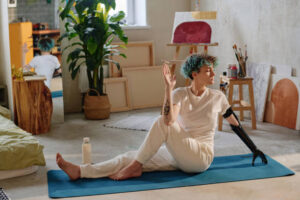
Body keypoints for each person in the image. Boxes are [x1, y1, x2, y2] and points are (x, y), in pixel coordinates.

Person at [56, 54, 267, 181]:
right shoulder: (179, 94)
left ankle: (135, 167)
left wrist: (254, 148)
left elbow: (235, 124)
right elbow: (170, 119)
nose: (213, 75)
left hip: (200, 157)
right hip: (179, 153)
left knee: (159, 125)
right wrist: (168, 89)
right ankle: (81, 171)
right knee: (128, 156)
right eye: (208, 71)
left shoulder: (217, 97)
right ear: (194, 74)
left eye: (213, 71)